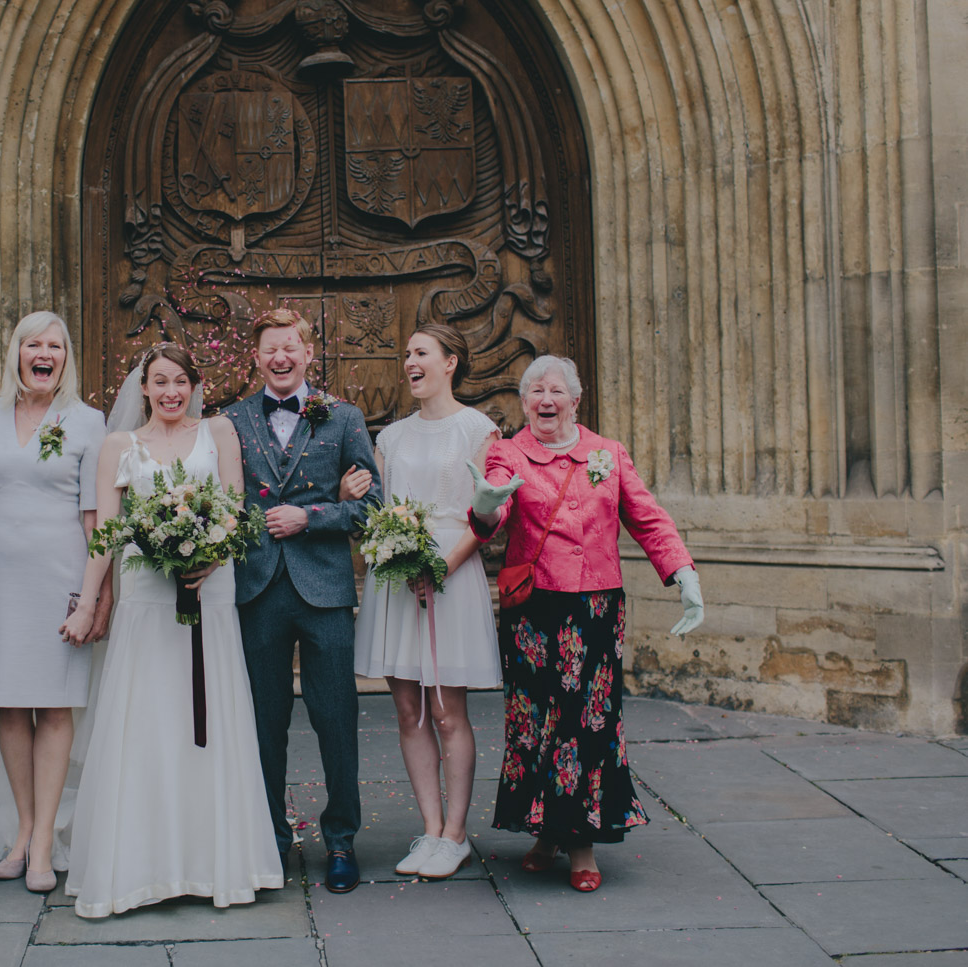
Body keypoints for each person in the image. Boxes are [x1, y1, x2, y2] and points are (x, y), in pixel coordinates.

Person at [58, 343, 283, 917]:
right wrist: (88, 605)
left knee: (207, 722)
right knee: (150, 720)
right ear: (144, 389)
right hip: (146, 598)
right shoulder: (119, 447)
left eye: (180, 381)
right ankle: (142, 868)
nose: (170, 392)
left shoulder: (220, 434)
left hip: (213, 591)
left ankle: (215, 865)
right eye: (159, 382)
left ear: (195, 384)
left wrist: (211, 554)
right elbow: (107, 532)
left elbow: (234, 507)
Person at [466, 354, 704, 893]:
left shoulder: (607, 453)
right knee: (535, 721)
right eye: (534, 391)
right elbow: (494, 511)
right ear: (524, 402)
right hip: (534, 610)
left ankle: (580, 842)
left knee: (586, 722)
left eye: (556, 391)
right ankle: (547, 833)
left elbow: (647, 517)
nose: (544, 400)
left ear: (577, 399)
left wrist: (683, 572)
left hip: (595, 609)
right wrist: (483, 507)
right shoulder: (507, 452)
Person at [0, 311, 108, 894]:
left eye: (55, 345)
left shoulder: (87, 421)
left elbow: (97, 518)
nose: (44, 352)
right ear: (17, 353)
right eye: (34, 343)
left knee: (55, 708)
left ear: (65, 359)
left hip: (61, 577)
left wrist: (92, 595)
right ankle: (25, 833)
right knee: (9, 705)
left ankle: (45, 847)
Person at [224, 308, 381, 894]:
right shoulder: (232, 420)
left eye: (291, 347)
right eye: (270, 348)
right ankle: (270, 838)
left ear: (309, 354)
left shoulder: (343, 418)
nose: (281, 357)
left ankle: (341, 840)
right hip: (256, 589)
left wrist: (312, 515)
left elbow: (372, 508)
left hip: (325, 592)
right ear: (257, 356)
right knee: (264, 722)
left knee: (336, 719)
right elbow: (220, 502)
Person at [354, 324, 502, 880]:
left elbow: (487, 512)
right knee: (409, 708)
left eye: (421, 354)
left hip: (450, 571)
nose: (410, 363)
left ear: (450, 362)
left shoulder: (477, 429)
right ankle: (430, 828)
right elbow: (381, 506)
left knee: (447, 710)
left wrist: (442, 565)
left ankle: (457, 833)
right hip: (398, 575)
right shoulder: (390, 437)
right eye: (407, 355)